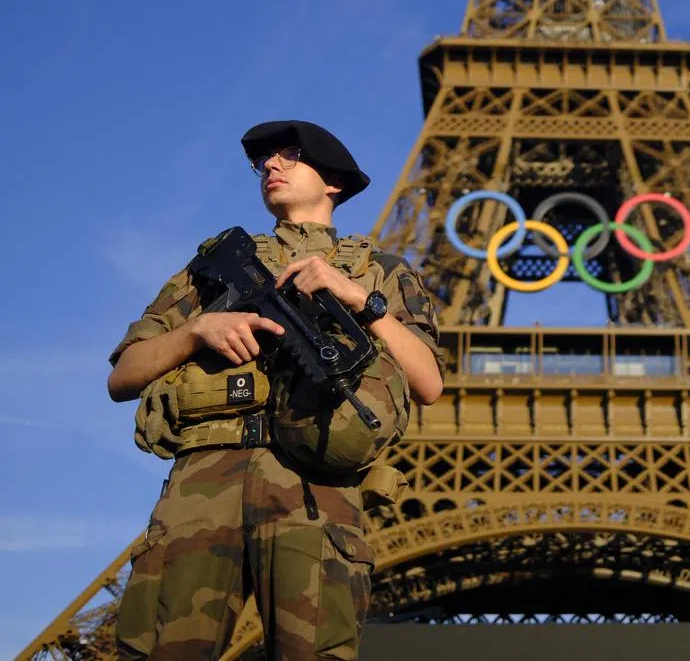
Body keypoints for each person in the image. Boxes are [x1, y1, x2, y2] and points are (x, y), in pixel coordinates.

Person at [108, 120, 444, 659]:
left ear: (334, 181)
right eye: (264, 161)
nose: (272, 166)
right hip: (202, 480)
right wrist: (198, 330)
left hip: (314, 484)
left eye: (291, 155)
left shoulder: (380, 270)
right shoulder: (213, 267)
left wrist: (359, 299)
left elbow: (427, 382)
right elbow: (123, 376)